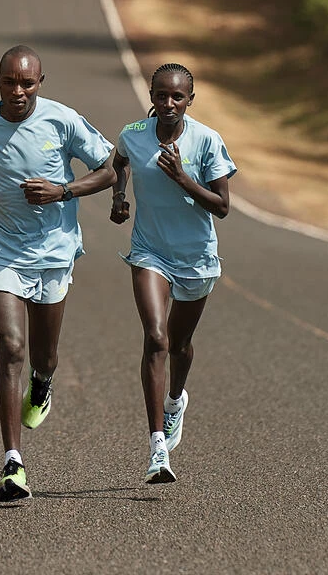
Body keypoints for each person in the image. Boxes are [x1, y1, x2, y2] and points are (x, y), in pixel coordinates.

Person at [0, 45, 116, 502]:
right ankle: (13, 463)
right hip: (3, 249)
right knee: (11, 346)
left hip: (53, 251)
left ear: (40, 83)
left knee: (44, 356)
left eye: (27, 83)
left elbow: (108, 168)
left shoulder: (63, 120)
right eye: (10, 82)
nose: (18, 91)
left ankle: (43, 382)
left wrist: (63, 190)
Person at [109, 63, 236, 484]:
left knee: (180, 344)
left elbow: (221, 206)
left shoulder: (206, 141)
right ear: (151, 94)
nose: (168, 104)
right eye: (161, 95)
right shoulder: (133, 133)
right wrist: (119, 197)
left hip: (196, 256)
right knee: (156, 337)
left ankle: (176, 400)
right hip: (149, 251)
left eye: (177, 97)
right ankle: (156, 447)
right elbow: (119, 162)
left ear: (190, 101)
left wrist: (182, 177)